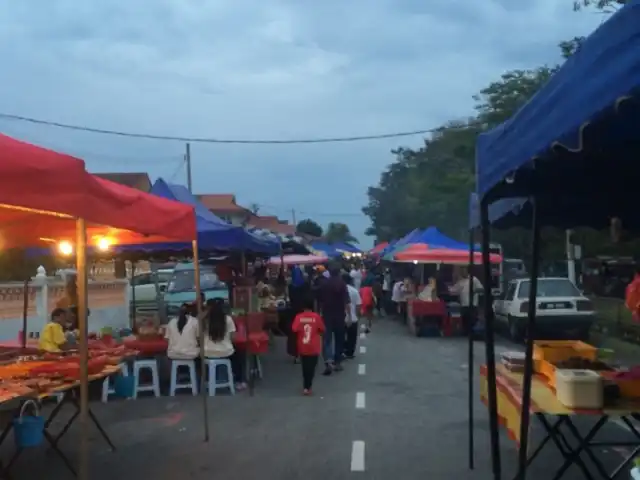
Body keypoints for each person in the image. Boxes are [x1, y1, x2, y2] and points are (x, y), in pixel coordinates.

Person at [203, 298, 246, 390]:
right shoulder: (228, 319)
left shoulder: (204, 321)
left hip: (207, 352)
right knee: (240, 353)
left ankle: (203, 380)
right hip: (224, 352)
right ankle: (239, 381)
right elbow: (233, 337)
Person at [317, 266, 350, 375]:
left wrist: (319, 313)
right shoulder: (342, 284)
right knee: (339, 339)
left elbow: (320, 301)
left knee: (327, 340)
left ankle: (328, 361)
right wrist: (349, 316)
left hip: (327, 315)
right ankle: (338, 362)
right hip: (340, 315)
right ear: (339, 272)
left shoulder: (324, 284)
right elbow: (347, 302)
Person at [291, 299, 326, 395]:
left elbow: (294, 329)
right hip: (314, 346)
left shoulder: (299, 317)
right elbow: (322, 329)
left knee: (305, 367)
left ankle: (306, 386)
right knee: (312, 367)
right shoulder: (316, 317)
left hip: (302, 345)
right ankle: (308, 386)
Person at [450, 268, 484, 335]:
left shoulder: (474, 279)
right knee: (465, 320)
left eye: (463, 271)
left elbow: (481, 289)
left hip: (472, 304)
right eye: (461, 272)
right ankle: (466, 334)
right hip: (464, 305)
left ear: (467, 272)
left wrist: (474, 291)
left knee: (473, 320)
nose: (462, 273)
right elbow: (453, 290)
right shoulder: (460, 281)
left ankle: (473, 334)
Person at [165, 303, 200, 368]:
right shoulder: (195, 321)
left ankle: (176, 375)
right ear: (191, 312)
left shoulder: (172, 321)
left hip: (173, 354)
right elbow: (198, 337)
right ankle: (196, 375)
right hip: (190, 354)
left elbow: (167, 339)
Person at [343, 274, 361, 359]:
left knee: (342, 335)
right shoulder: (354, 291)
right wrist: (357, 315)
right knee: (352, 337)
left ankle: (342, 350)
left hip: (342, 317)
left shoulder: (339, 290)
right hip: (353, 318)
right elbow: (358, 305)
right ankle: (350, 352)